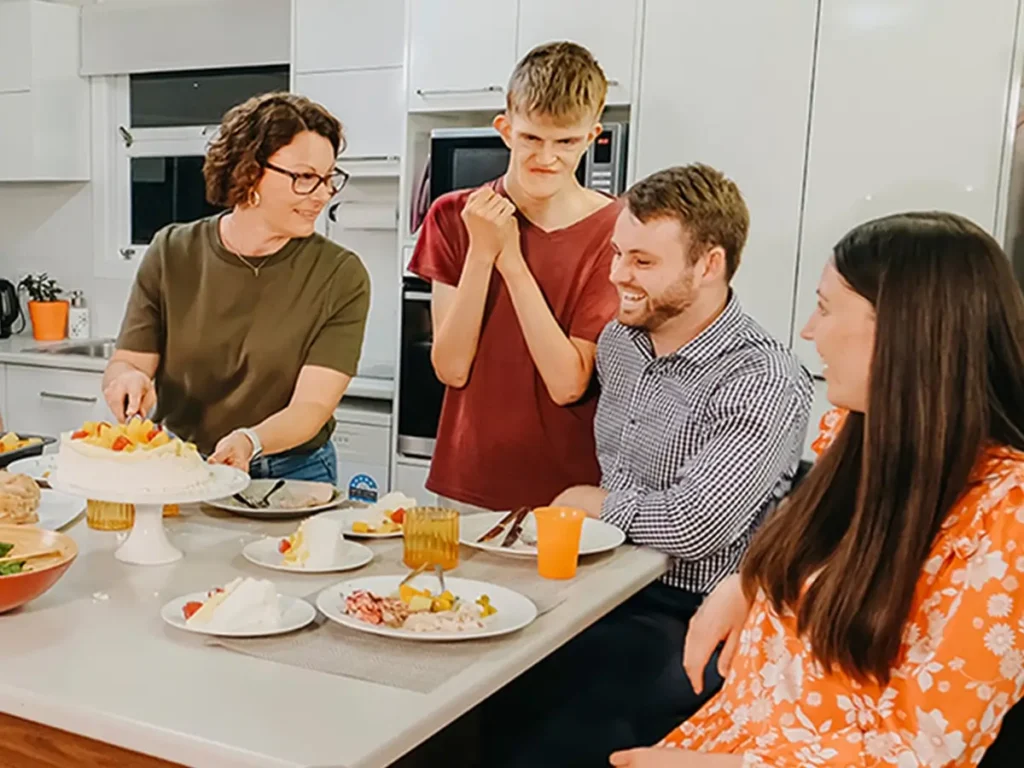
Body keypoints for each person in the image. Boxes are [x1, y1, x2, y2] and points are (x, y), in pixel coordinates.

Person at [611, 211, 1024, 767]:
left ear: (906, 331)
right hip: (735, 734)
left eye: (827, 308)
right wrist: (750, 582)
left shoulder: (1005, 516)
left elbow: (922, 750)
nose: (808, 330)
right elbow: (823, 556)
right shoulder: (858, 437)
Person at [491, 164, 813, 767]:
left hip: (689, 613)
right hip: (599, 589)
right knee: (473, 696)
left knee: (546, 740)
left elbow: (695, 526)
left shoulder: (761, 379)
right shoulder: (621, 341)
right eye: (618, 253)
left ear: (709, 265)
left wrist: (594, 503)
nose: (617, 275)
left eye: (642, 261)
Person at [102, 92, 369, 484]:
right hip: (179, 463)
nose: (324, 194)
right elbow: (129, 362)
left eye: (329, 178)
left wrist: (250, 440)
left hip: (290, 473)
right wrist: (126, 379)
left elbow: (312, 406)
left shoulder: (341, 274)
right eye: (306, 177)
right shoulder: (172, 251)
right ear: (249, 173)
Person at [407, 41, 621, 514]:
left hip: (570, 492)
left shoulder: (619, 231)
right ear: (505, 130)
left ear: (591, 137)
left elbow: (568, 383)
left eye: (565, 142)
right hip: (467, 481)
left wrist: (511, 261)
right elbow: (451, 368)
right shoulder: (451, 216)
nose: (547, 158)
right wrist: (481, 254)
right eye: (531, 139)